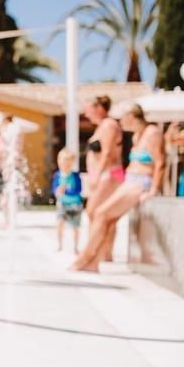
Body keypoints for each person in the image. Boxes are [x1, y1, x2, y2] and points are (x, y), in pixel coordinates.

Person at [71, 104, 165, 272]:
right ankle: (93, 263)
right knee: (107, 219)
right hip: (130, 180)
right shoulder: (138, 136)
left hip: (141, 183)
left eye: (123, 117)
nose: (120, 121)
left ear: (132, 116)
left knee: (101, 213)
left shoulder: (152, 133)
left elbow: (160, 163)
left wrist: (152, 190)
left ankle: (84, 258)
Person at [83, 95, 124, 260]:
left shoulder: (109, 125)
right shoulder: (102, 126)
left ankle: (101, 252)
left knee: (96, 212)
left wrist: (96, 176)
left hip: (109, 174)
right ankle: (103, 251)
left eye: (88, 110)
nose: (86, 114)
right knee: (100, 214)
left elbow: (107, 153)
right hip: (103, 175)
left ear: (99, 108)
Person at [52, 149, 83, 253]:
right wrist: (57, 191)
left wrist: (66, 191)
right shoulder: (58, 175)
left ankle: (75, 247)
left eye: (68, 162)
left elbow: (78, 190)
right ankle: (59, 245)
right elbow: (54, 187)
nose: (66, 164)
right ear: (59, 162)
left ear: (72, 163)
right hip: (62, 203)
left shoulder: (75, 175)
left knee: (75, 226)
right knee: (59, 224)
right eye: (64, 162)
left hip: (75, 205)